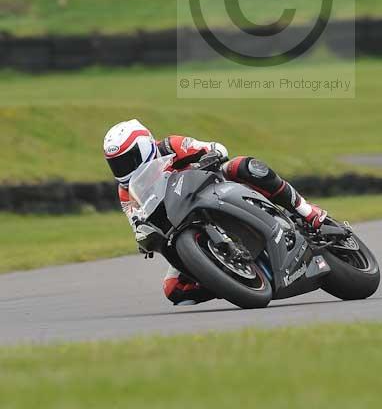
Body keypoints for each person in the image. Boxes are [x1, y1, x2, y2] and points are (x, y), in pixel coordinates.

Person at [103, 118, 327, 306]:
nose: (124, 168)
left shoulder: (170, 146)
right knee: (175, 290)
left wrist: (209, 156)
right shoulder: (126, 192)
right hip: (181, 224)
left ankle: (306, 211)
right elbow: (137, 222)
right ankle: (231, 277)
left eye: (128, 160)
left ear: (145, 146)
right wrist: (144, 237)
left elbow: (216, 148)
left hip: (214, 189)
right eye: (117, 164)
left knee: (244, 166)